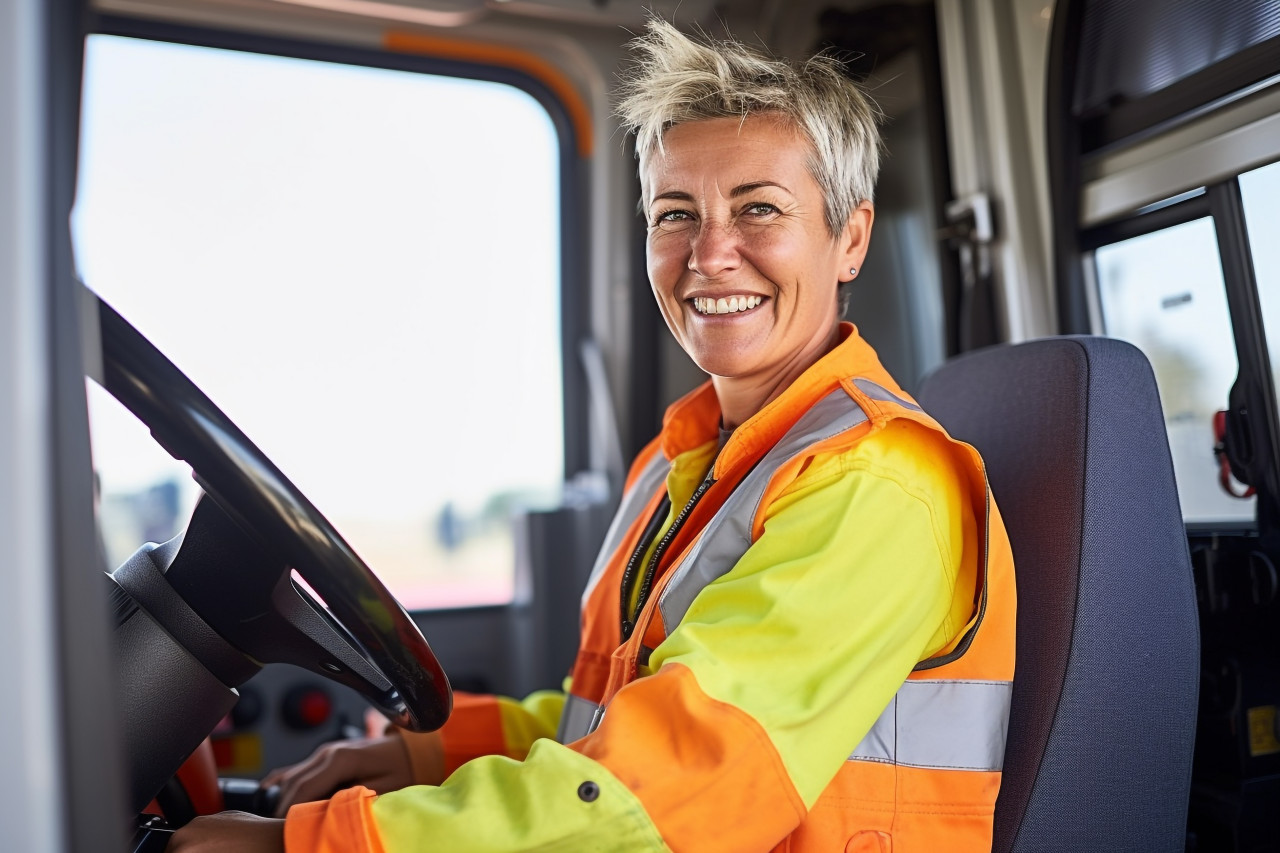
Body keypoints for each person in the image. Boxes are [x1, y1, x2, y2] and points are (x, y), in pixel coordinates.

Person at [170, 18, 1014, 852]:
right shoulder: (679, 462)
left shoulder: (874, 482)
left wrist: (313, 844)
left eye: (759, 208)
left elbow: (678, 783)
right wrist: (420, 753)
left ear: (851, 238)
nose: (710, 254)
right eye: (675, 213)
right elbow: (611, 718)